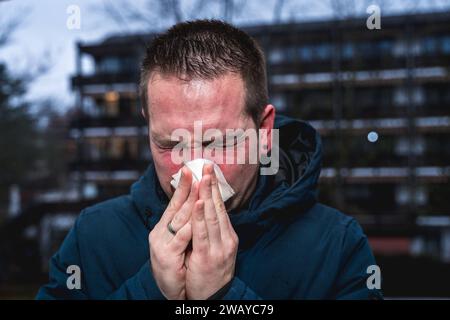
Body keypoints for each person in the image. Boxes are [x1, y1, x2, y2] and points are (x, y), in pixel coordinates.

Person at [36, 20, 382, 300]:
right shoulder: (93, 238)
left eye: (219, 143)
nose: (195, 170)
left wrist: (224, 298)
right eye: (171, 143)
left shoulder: (337, 247)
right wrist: (149, 291)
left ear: (264, 131)